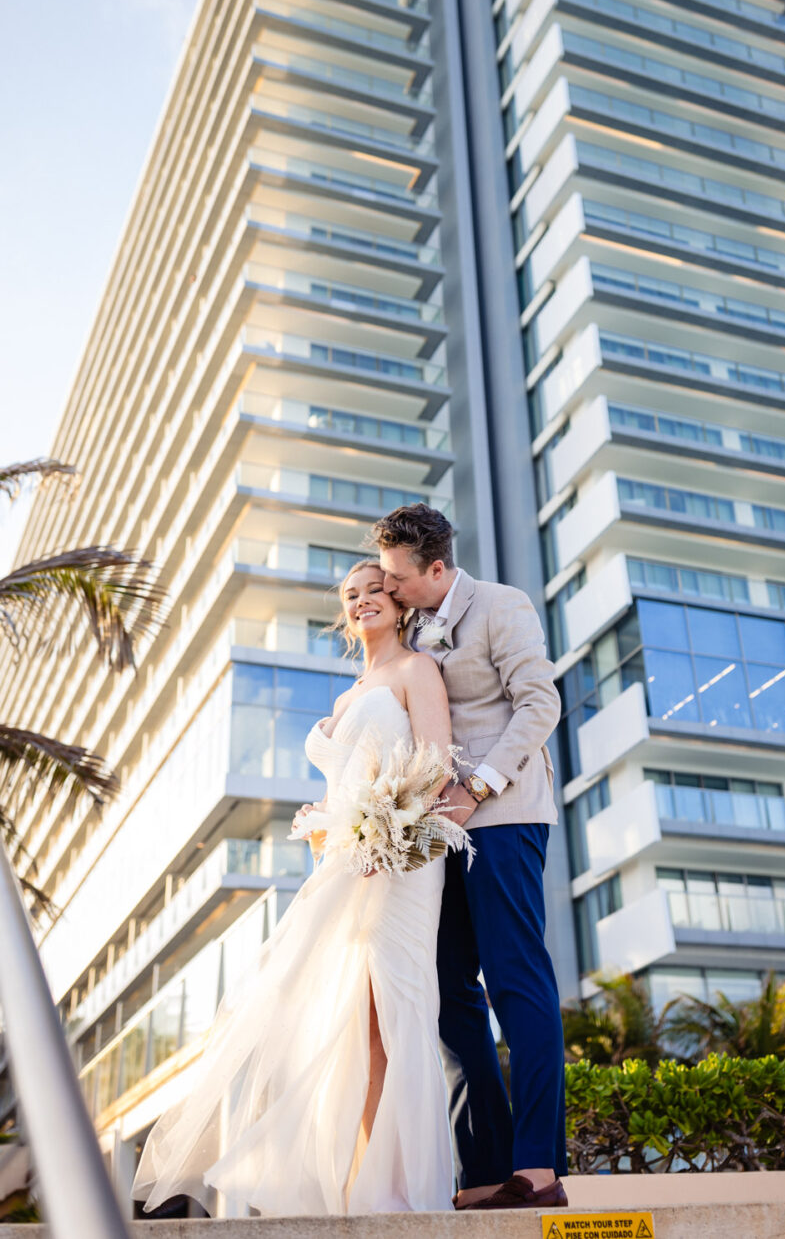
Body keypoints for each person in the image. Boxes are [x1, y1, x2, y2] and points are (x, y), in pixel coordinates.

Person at [132, 561, 456, 1217]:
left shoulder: (416, 672)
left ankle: (401, 1192)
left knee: (390, 1016)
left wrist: (388, 836)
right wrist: (325, 823)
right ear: (345, 614)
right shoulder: (345, 698)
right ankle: (358, 1185)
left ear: (398, 604)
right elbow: (345, 785)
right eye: (351, 595)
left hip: (400, 866)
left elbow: (435, 767)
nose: (364, 601)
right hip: (342, 865)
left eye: (375, 591)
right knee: (335, 1020)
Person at [371, 503, 568, 1212]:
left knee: (515, 979)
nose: (388, 590)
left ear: (435, 568)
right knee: (448, 987)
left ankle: (539, 1166)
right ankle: (482, 1168)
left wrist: (477, 787)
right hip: (436, 831)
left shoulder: (500, 605)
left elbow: (539, 704)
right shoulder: (411, 625)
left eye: (396, 578)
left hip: (504, 815)